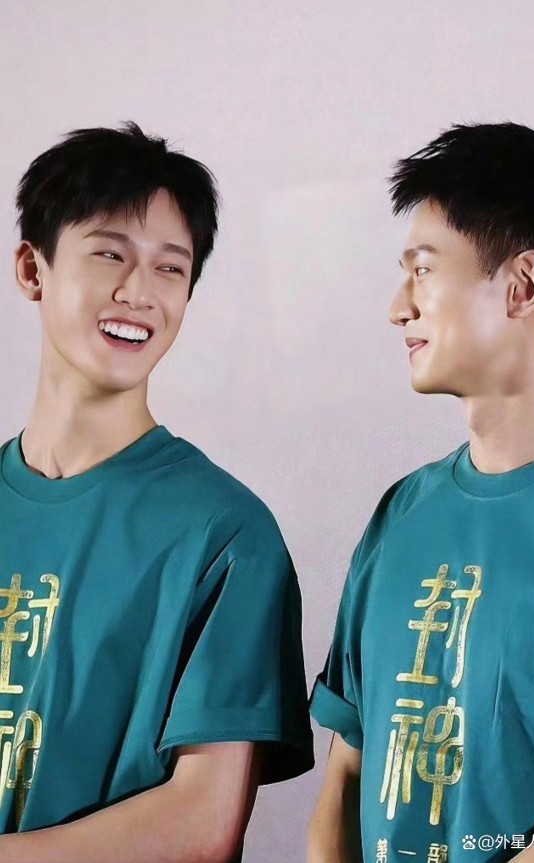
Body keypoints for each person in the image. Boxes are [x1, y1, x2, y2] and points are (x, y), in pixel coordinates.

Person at [0, 121, 314, 863]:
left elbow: (201, 825)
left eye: (170, 269)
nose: (138, 293)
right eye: (110, 254)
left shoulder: (226, 533)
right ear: (33, 268)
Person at [307, 122, 534, 863]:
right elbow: (345, 781)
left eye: (424, 270)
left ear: (523, 285)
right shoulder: (402, 516)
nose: (398, 307)